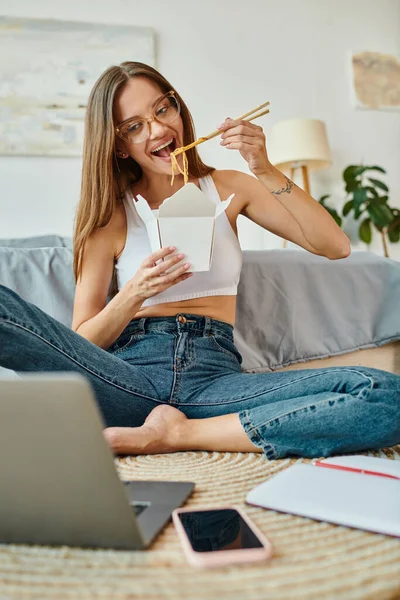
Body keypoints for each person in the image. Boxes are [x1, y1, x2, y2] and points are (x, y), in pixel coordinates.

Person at [0, 61, 399, 459]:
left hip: (214, 380)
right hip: (128, 379)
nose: (157, 129)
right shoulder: (111, 215)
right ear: (118, 144)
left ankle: (181, 434)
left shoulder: (228, 187)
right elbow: (80, 343)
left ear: (178, 109)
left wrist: (262, 167)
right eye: (135, 126)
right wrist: (135, 293)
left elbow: (334, 246)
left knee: (384, 394)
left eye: (162, 110)